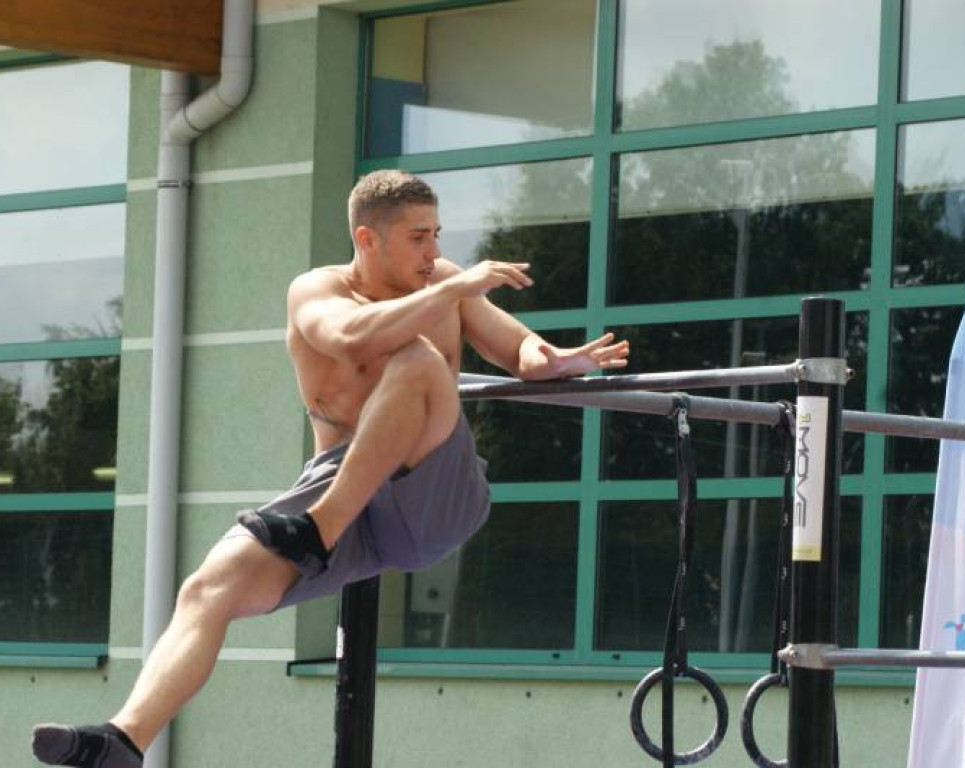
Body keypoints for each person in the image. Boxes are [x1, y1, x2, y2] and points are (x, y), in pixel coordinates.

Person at [31, 169, 630, 768]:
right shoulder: (319, 292)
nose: (436, 253)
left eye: (438, 234)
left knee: (417, 359)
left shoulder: (446, 285)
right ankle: (123, 741)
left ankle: (320, 528)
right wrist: (449, 293)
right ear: (368, 240)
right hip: (345, 494)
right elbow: (348, 339)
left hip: (433, 492)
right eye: (419, 237)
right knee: (209, 587)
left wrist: (554, 359)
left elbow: (519, 350)